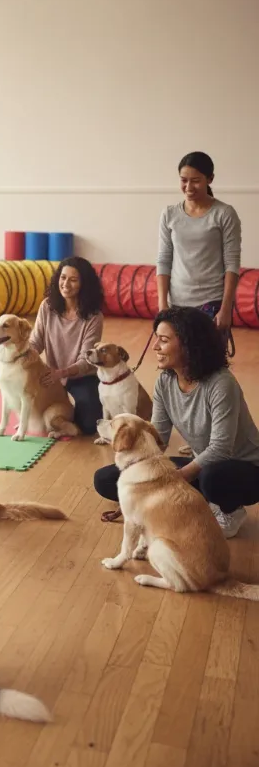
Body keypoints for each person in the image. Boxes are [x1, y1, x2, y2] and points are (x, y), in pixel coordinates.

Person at [94, 307, 259, 537]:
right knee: (106, 479)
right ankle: (190, 502)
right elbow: (156, 436)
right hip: (202, 465)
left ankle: (231, 509)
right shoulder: (165, 381)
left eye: (163, 340)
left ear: (189, 345)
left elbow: (221, 448)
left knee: (212, 478)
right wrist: (139, 468)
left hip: (243, 469)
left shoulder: (222, 384)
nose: (155, 347)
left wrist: (175, 478)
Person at [157, 151, 242, 333]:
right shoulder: (169, 214)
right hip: (177, 304)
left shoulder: (225, 213)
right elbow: (164, 260)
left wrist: (226, 308)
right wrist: (162, 304)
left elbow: (232, 264)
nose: (188, 186)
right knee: (178, 360)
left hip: (212, 303)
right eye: (183, 180)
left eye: (195, 180)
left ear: (210, 179)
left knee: (209, 360)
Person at [30, 256, 104, 436]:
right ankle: (61, 413)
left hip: (80, 376)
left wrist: (61, 373)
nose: (66, 284)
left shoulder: (94, 316)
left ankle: (69, 411)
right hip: (52, 376)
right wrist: (21, 357)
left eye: (73, 280)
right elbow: (35, 342)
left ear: (84, 284)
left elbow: (86, 361)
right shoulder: (47, 307)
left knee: (88, 426)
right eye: (63, 278)